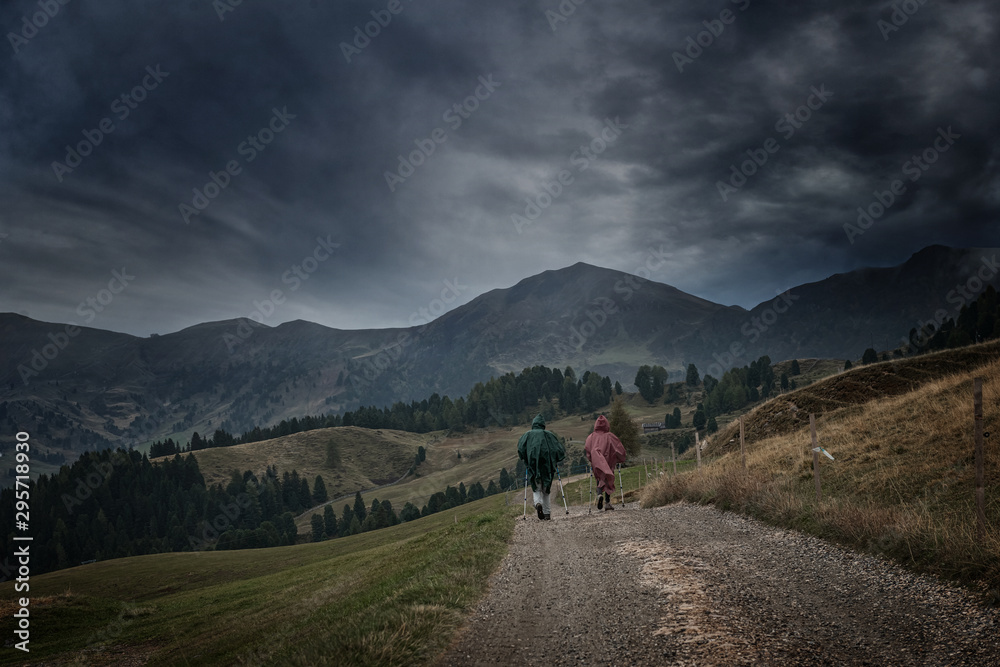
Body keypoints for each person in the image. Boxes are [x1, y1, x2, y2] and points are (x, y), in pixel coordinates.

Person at [517, 414, 565, 521]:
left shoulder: (527, 435)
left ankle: (538, 503)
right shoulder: (549, 435)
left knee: (536, 487)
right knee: (546, 490)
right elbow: (558, 449)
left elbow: (520, 448)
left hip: (533, 464)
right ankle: (547, 513)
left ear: (533, 424)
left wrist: (525, 458)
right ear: (543, 424)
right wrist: (556, 459)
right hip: (547, 465)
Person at [584, 415, 626, 510]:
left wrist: (591, 459)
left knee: (599, 477)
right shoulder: (610, 436)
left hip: (596, 461)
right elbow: (619, 448)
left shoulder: (591, 437)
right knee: (607, 479)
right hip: (608, 461)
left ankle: (599, 494)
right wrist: (620, 458)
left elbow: (587, 448)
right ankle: (607, 503)